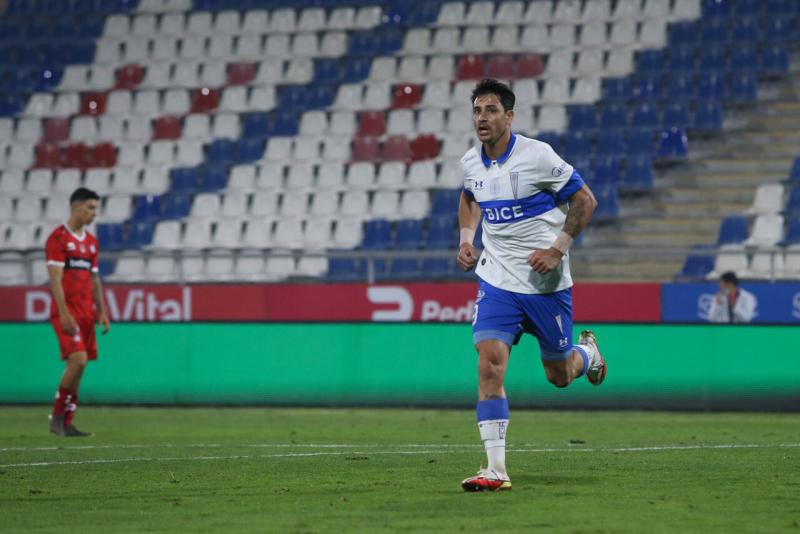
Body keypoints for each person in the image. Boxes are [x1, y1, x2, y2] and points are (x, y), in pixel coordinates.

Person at [456, 79, 606, 492]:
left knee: (558, 375)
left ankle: (585, 353)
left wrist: (558, 249)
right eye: (476, 111)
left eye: (490, 110)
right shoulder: (471, 162)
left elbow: (585, 200)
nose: (482, 118)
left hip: (546, 284)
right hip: (496, 278)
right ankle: (495, 469)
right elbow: (469, 198)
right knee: (489, 364)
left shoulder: (537, 156)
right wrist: (467, 241)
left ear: (509, 115)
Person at [45, 187, 110, 437]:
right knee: (78, 360)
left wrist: (102, 312)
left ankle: (67, 422)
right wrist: (63, 313)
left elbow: (95, 280)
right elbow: (55, 280)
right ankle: (57, 417)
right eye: (90, 207)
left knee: (81, 367)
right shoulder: (58, 238)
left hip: (86, 313)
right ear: (76, 206)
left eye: (95, 208)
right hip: (67, 312)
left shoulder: (91, 243)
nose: (94, 213)